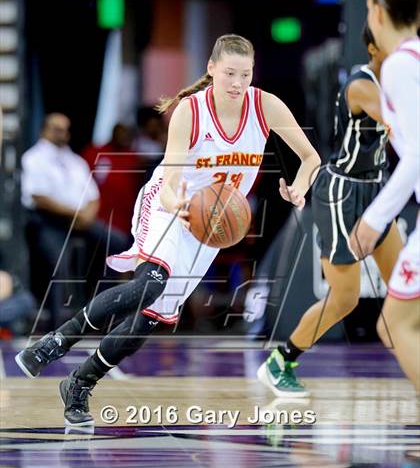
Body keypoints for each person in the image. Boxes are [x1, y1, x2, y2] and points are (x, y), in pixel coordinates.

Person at [15, 34, 321, 426]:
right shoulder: (191, 111)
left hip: (209, 227)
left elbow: (309, 157)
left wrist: (300, 187)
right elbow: (173, 175)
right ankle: (55, 342)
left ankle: (81, 381)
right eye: (229, 73)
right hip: (168, 205)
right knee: (151, 283)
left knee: (151, 318)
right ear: (211, 69)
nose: (237, 83)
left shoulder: (265, 106)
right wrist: (176, 200)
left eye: (245, 74)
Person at [257, 22, 404, 397]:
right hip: (341, 195)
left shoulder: (397, 81)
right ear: (374, 48)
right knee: (344, 298)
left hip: (377, 193)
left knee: (408, 286)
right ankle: (280, 361)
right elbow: (397, 118)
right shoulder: (362, 85)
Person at [349, 0, 420, 391]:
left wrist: (373, 220)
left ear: (376, 11)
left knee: (396, 323)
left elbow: (416, 154)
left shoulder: (399, 65)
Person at [21, 113, 128, 327]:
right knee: (58, 260)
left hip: (81, 221)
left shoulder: (75, 160)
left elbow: (93, 195)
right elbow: (38, 196)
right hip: (50, 221)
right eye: (56, 128)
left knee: (116, 242)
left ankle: (97, 309)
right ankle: (58, 323)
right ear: (44, 130)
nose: (62, 133)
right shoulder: (33, 158)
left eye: (65, 129)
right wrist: (74, 214)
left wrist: (86, 215)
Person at [82, 123, 140, 237]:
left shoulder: (134, 159)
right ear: (113, 133)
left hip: (121, 223)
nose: (123, 136)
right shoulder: (95, 152)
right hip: (95, 216)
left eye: (126, 133)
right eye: (120, 132)